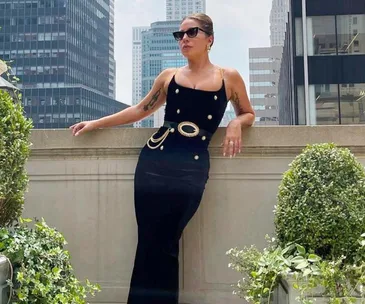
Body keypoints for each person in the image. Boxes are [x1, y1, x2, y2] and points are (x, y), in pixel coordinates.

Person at [70, 13, 255, 304]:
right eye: (179, 35)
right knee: (149, 243)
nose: (183, 39)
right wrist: (96, 123)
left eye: (191, 33)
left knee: (168, 242)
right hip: (155, 162)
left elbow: (248, 112)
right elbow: (141, 110)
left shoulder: (227, 77)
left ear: (210, 39)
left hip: (192, 168)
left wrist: (234, 124)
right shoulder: (169, 77)